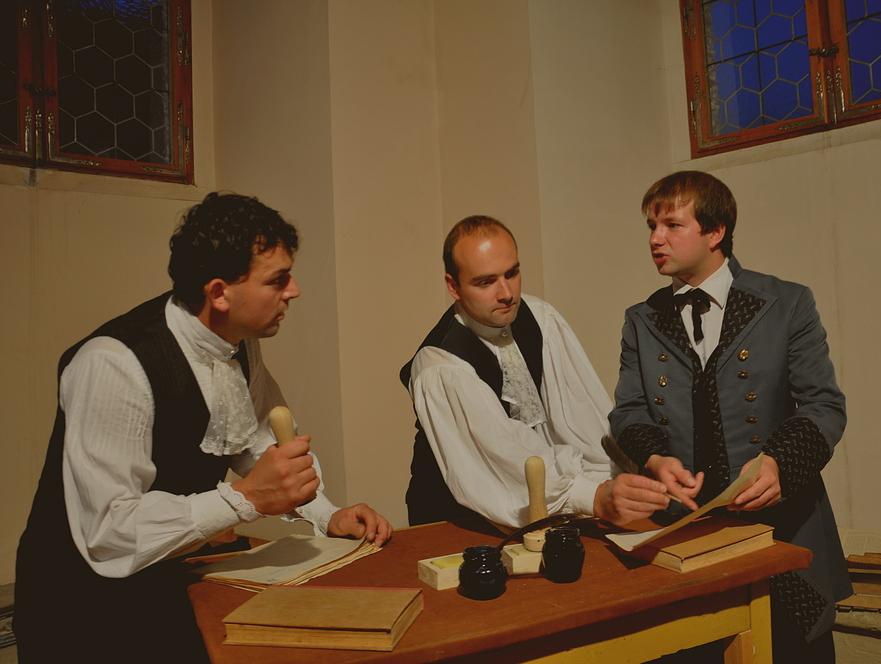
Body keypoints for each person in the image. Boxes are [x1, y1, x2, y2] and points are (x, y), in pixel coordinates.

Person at [14, 193, 391, 664]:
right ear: (219, 293)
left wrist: (326, 515)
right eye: (277, 279)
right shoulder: (113, 364)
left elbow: (256, 444)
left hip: (169, 579)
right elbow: (109, 531)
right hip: (81, 607)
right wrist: (246, 499)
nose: (294, 290)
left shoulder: (237, 340)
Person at [610, 171, 850, 663]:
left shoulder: (787, 303)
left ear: (715, 231)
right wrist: (654, 459)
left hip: (782, 526)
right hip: (687, 533)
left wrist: (779, 463)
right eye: (652, 227)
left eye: (672, 225)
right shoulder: (641, 319)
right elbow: (629, 410)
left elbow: (824, 405)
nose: (656, 239)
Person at [400, 215, 672, 530]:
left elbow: (583, 421)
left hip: (552, 509)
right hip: (457, 522)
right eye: (486, 282)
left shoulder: (540, 318)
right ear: (453, 286)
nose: (506, 293)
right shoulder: (441, 366)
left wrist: (626, 477)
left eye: (512, 273)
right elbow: (502, 456)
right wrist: (592, 496)